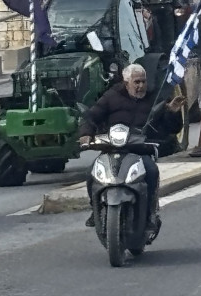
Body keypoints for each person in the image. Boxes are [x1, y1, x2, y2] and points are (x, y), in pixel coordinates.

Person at [78, 63, 185, 230]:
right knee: (91, 173)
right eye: (136, 82)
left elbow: (171, 128)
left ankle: (149, 214)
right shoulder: (111, 96)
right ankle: (96, 210)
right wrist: (86, 134)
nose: (140, 86)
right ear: (126, 83)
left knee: (151, 171)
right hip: (112, 149)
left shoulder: (154, 99)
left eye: (143, 81)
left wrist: (172, 112)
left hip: (140, 151)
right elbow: (92, 116)